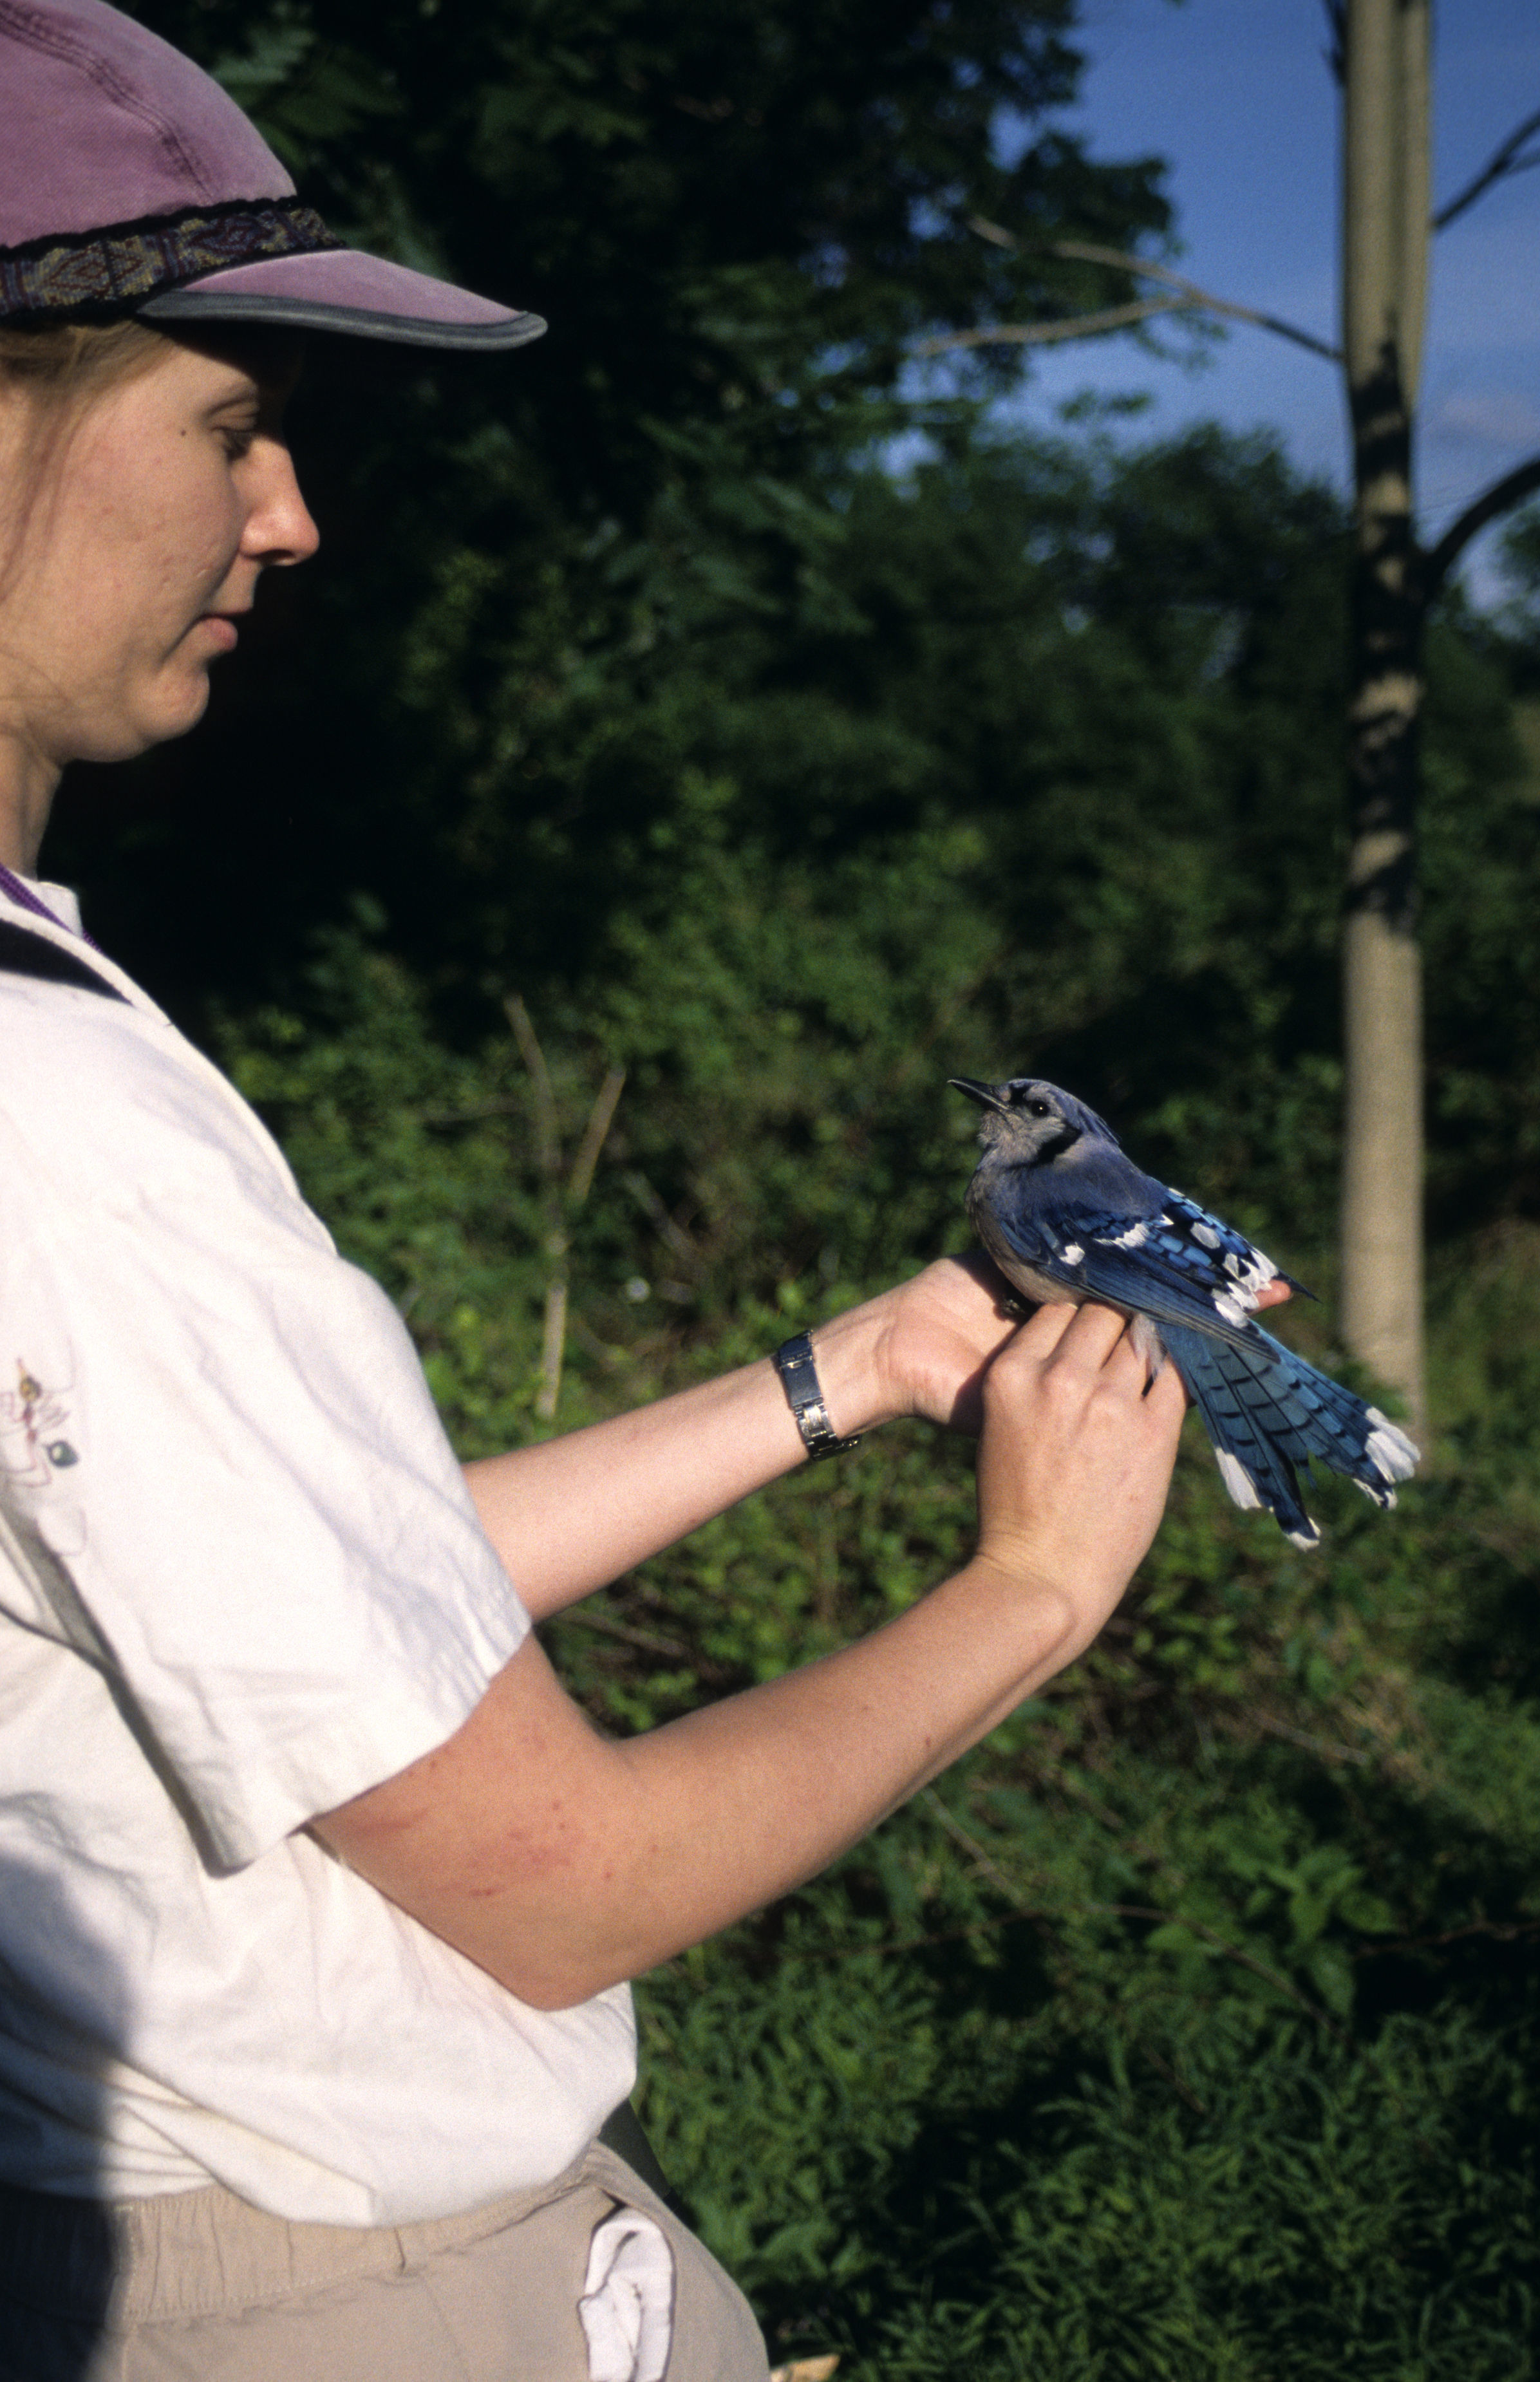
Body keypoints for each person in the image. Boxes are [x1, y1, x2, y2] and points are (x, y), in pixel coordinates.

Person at [0, 5, 1216, 2377]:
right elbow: (566, 1888)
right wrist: (1043, 1585)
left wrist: (844, 1374)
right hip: (335, 2295)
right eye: (233, 420)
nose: (291, 514)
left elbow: (294, 1623)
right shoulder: (55, 1131)